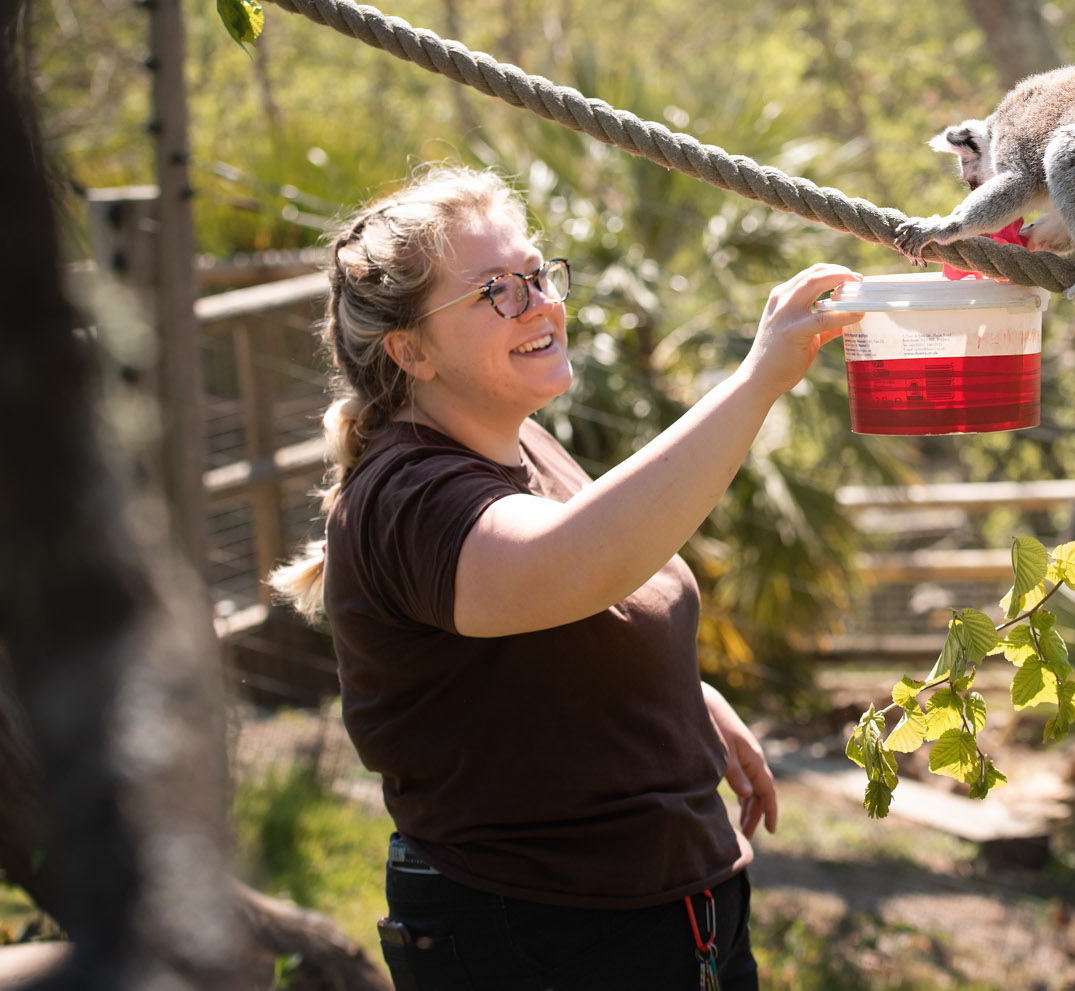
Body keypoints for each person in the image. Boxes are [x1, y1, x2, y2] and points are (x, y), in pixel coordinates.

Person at [268, 165, 861, 990]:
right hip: (539, 934)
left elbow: (589, 599)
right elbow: (569, 561)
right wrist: (759, 378)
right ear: (411, 350)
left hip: (675, 915)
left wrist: (678, 692)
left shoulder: (518, 438)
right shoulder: (406, 496)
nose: (541, 303)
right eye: (494, 292)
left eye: (537, 274)